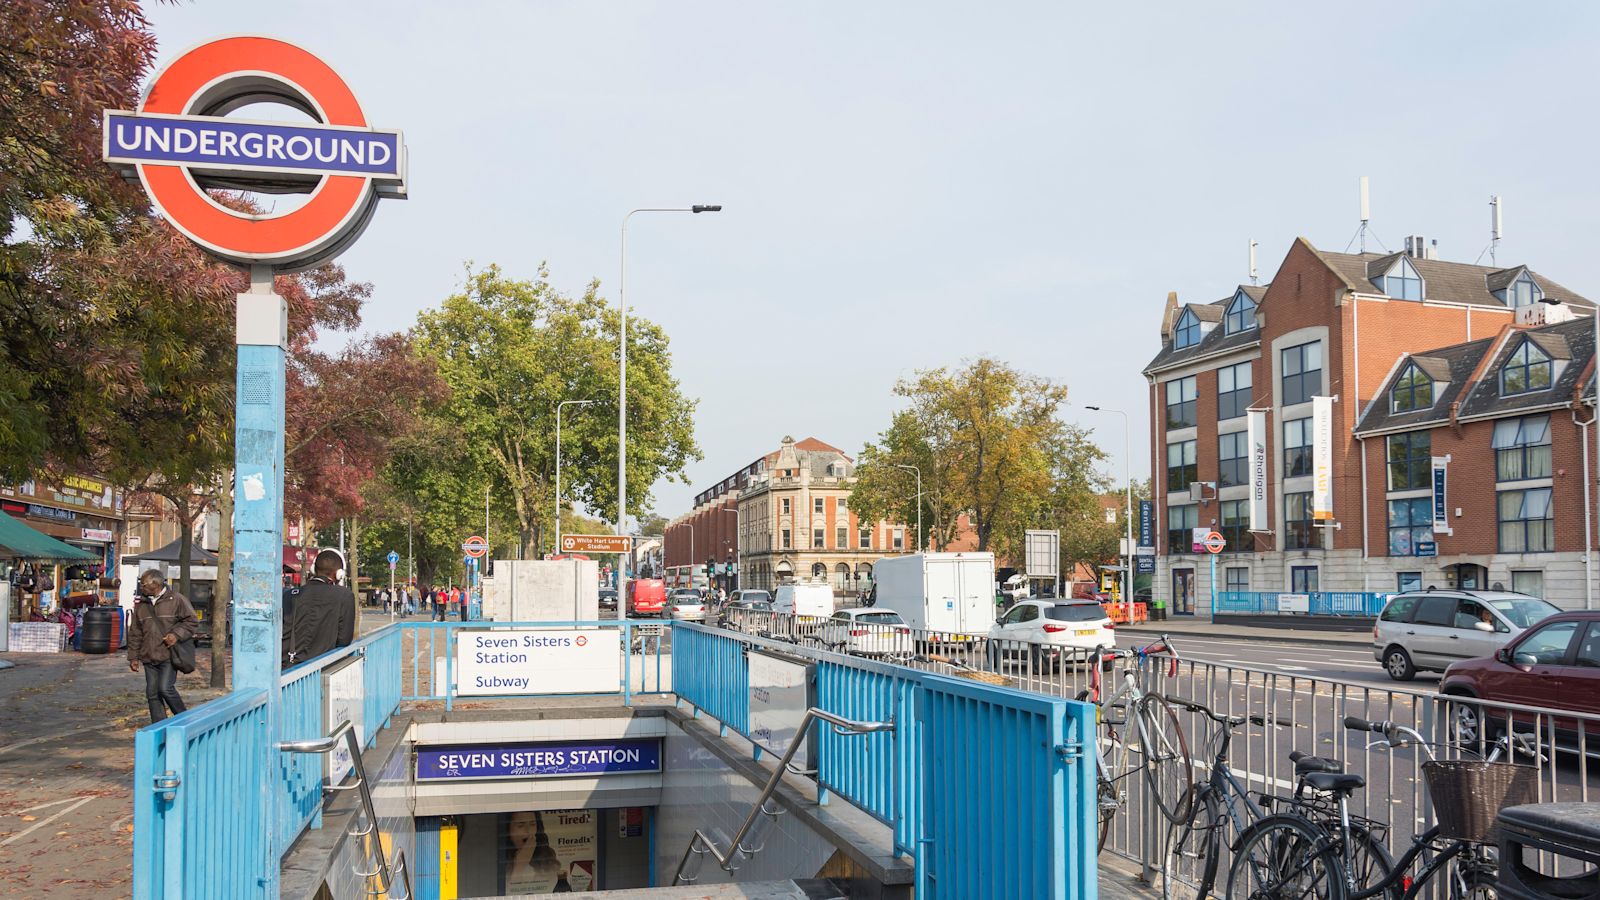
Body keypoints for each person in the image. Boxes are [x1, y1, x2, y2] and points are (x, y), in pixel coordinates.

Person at [128, 570, 198, 723]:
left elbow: (191, 621)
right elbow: (135, 632)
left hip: (168, 654)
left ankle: (183, 719)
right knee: (152, 694)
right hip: (148, 655)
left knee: (165, 688)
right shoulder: (141, 604)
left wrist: (176, 635)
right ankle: (159, 727)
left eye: (144, 584)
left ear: (156, 584)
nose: (142, 587)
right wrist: (133, 657)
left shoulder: (177, 599)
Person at [282, 550, 356, 668]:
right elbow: (344, 640)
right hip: (321, 667)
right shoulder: (344, 596)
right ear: (339, 574)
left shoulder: (290, 594)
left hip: (287, 669)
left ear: (313, 569)